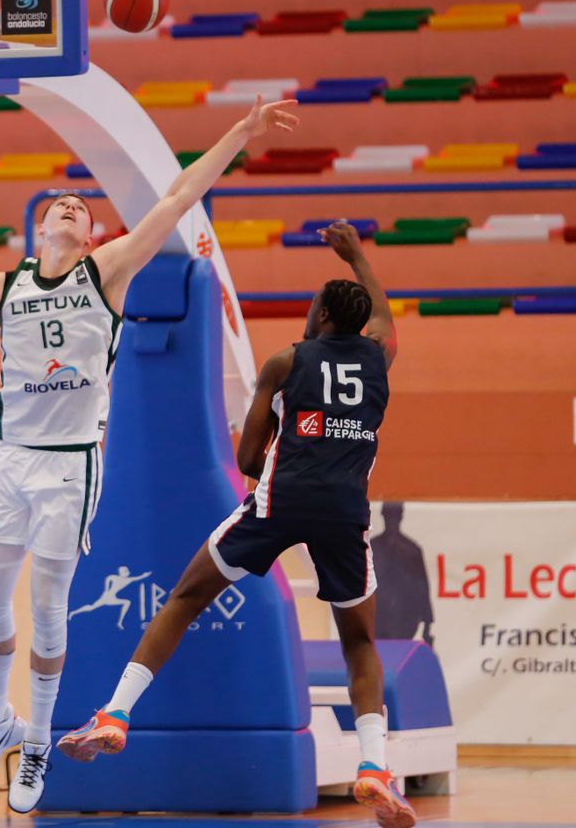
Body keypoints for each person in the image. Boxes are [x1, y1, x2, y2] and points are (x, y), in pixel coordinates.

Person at [0, 96, 300, 813]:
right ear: (40, 228)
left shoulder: (105, 273)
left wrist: (241, 132)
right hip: (8, 459)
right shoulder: (1, 287)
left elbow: (177, 196)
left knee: (48, 611)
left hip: (69, 465)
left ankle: (37, 739)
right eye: (62, 203)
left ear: (89, 232)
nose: (73, 206)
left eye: (82, 206)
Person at [56, 222, 416, 828]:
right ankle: (375, 768)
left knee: (185, 597)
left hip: (279, 503)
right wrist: (357, 255)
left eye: (311, 309)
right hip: (345, 513)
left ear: (323, 316)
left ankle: (115, 715)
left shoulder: (286, 361)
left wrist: (279, 441)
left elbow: (249, 461)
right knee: (358, 641)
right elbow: (385, 316)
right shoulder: (380, 358)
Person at [372, 502, 434, 647]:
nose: (391, 520)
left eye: (394, 516)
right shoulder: (372, 547)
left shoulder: (412, 550)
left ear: (400, 517)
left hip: (405, 619)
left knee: (400, 659)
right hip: (377, 618)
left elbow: (422, 586)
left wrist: (427, 623)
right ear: (383, 516)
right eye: (388, 516)